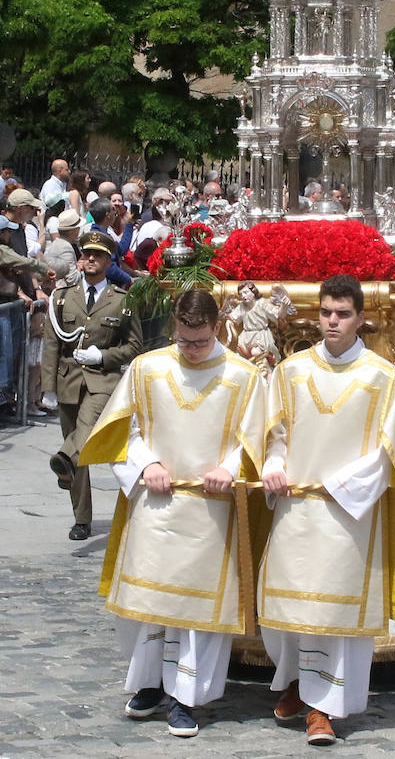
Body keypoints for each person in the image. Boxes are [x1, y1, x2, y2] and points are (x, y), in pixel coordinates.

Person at [78, 290, 265, 738]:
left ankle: (187, 696)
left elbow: (258, 438)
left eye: (199, 341)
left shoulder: (244, 377)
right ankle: (148, 683)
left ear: (217, 327)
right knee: (146, 603)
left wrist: (229, 467)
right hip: (157, 500)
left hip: (211, 508)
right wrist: (146, 464)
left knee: (197, 611)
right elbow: (126, 429)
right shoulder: (149, 368)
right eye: (183, 340)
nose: (191, 350)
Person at [258, 275, 395, 745]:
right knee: (287, 607)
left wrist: (341, 485)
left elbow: (394, 451)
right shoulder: (291, 372)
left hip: (348, 513)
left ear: (360, 318)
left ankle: (323, 706)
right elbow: (276, 433)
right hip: (296, 506)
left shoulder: (384, 379)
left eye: (343, 314)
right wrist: (272, 465)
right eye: (327, 312)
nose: (333, 321)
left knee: (334, 613)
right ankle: (293, 681)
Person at [41, 231, 143, 541]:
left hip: (102, 380)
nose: (89, 259)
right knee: (78, 454)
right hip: (69, 379)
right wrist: (48, 387)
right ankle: (81, 518)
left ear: (109, 261)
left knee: (82, 434)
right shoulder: (61, 297)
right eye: (85, 253)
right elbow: (51, 344)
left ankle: (63, 459)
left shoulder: (122, 300)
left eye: (97, 255)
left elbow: (134, 346)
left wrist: (104, 356)